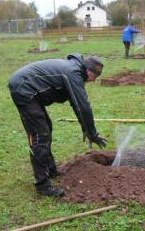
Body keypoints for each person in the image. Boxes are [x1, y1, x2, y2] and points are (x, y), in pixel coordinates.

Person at [8, 53, 108, 197]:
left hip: (30, 88)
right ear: (88, 71)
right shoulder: (73, 74)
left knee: (46, 128)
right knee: (40, 135)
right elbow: (83, 107)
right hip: (24, 88)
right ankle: (43, 184)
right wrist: (93, 134)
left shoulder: (74, 71)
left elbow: (76, 105)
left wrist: (87, 130)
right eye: (95, 77)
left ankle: (51, 169)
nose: (93, 81)